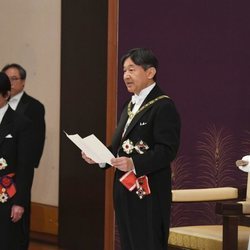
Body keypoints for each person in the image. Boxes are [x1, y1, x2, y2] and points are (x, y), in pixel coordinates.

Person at [82, 48, 181, 250]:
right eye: (124, 70)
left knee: (148, 242)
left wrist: (134, 163)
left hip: (150, 190)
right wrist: (99, 157)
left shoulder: (163, 106)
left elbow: (167, 151)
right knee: (129, 242)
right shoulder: (129, 104)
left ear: (150, 72)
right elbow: (120, 148)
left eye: (132, 69)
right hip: (124, 187)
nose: (126, 75)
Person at [1, 63, 46, 249]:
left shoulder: (21, 123)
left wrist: (19, 202)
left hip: (9, 191)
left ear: (5, 95)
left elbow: (26, 165)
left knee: (8, 239)